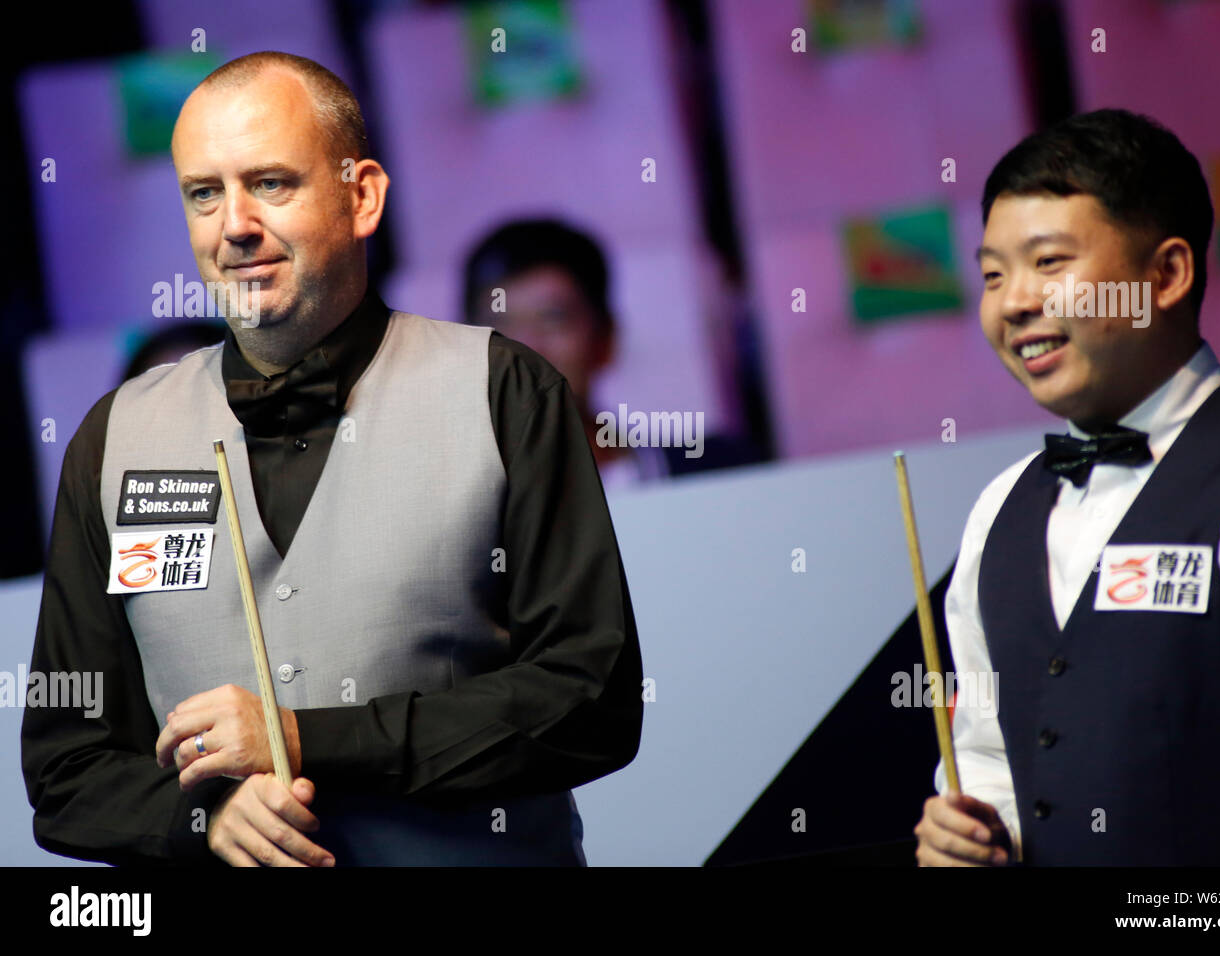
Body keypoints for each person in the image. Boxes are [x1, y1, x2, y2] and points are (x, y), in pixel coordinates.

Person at [21, 51, 643, 867]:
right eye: (204, 193)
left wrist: (303, 740)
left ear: (362, 196)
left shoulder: (504, 391)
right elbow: (67, 766)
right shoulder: (117, 439)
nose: (234, 224)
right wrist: (202, 818)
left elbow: (590, 699)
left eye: (271, 183)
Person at [913, 108, 1220, 866]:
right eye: (993, 274)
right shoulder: (999, 511)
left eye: (1049, 262)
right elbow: (992, 758)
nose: (1015, 301)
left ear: (1166, 275)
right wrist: (975, 838)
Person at [462, 218, 762, 489]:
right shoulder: (439, 509)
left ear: (606, 338)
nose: (526, 348)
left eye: (553, 319)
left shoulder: (719, 477)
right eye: (499, 325)